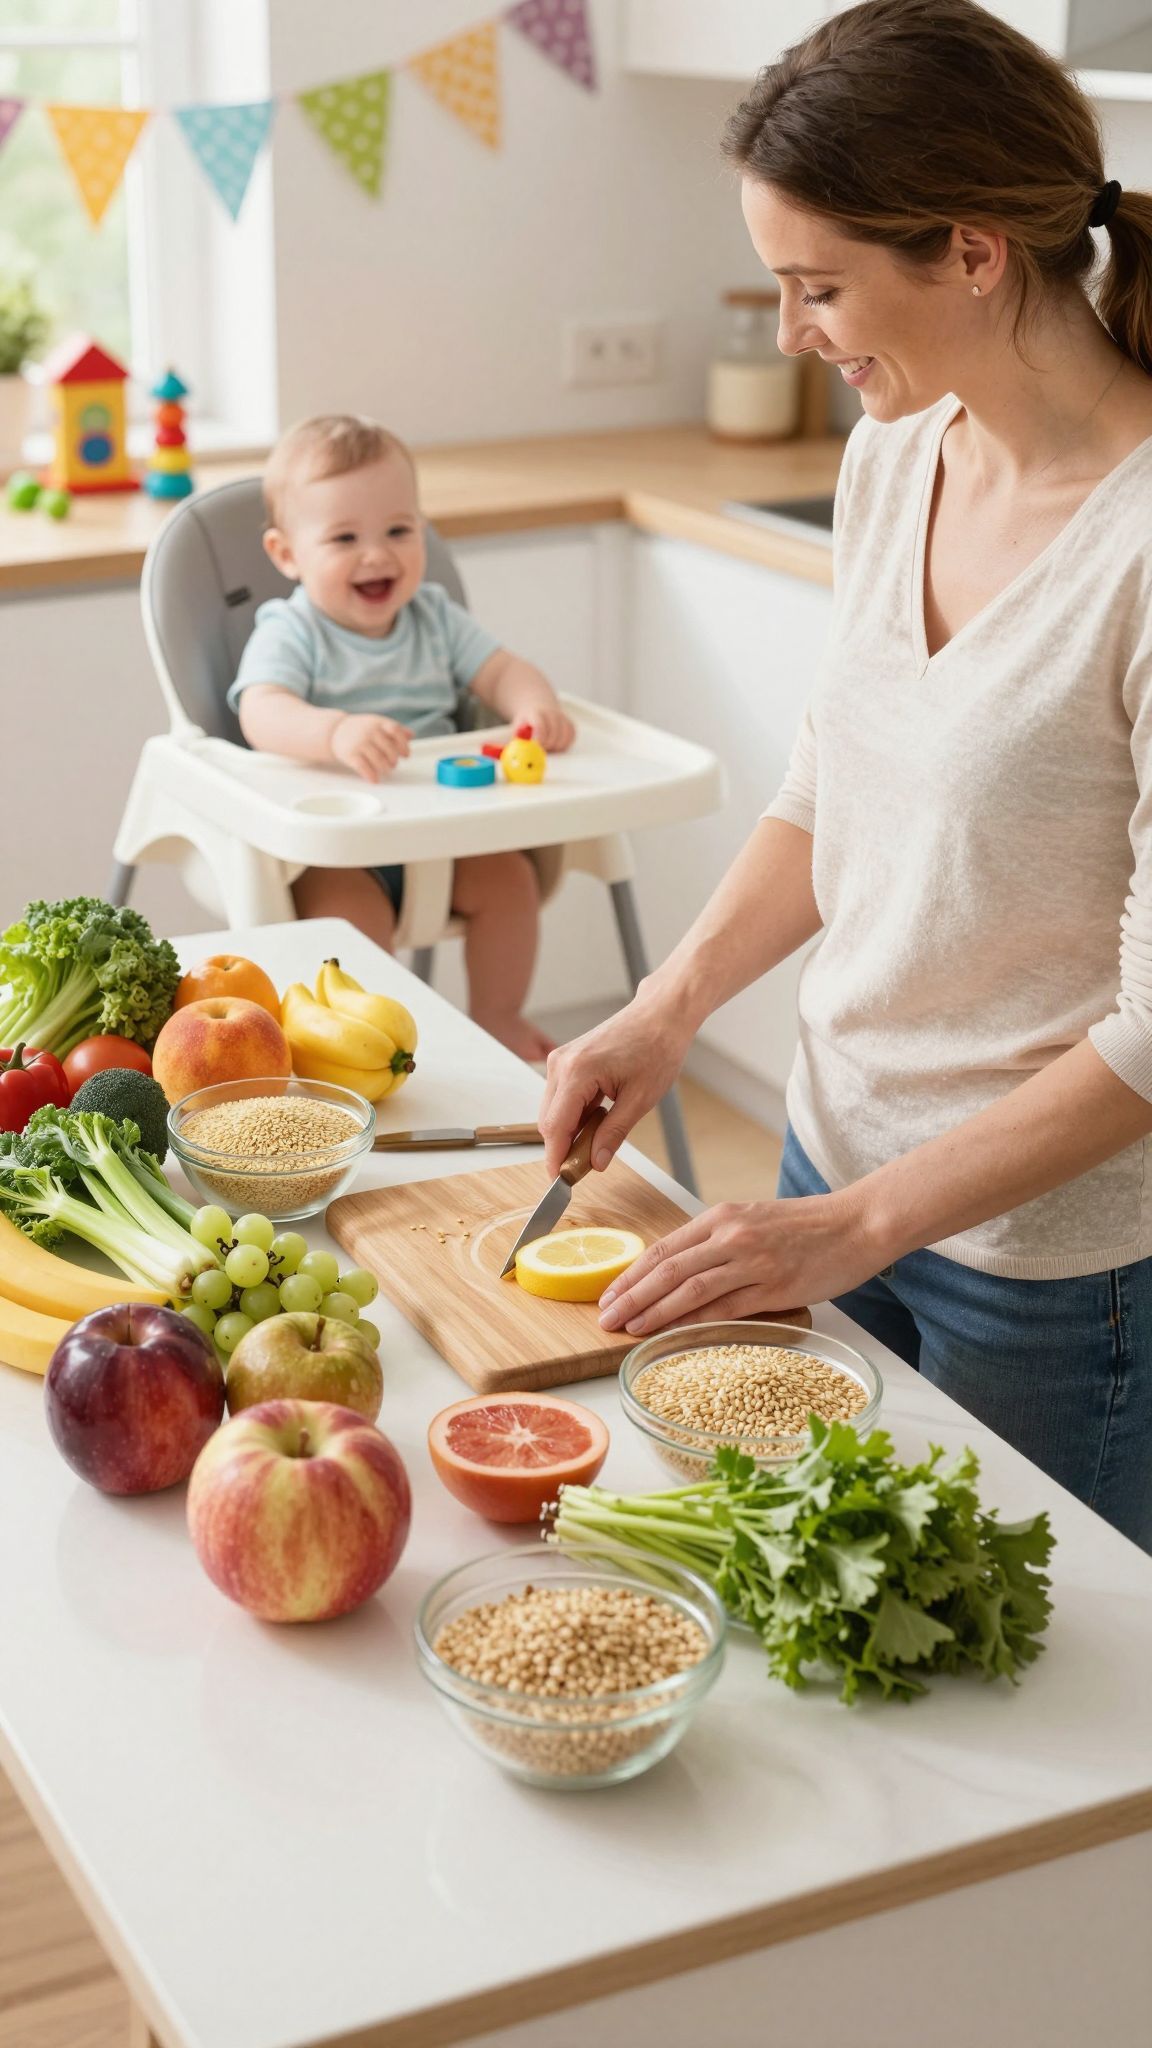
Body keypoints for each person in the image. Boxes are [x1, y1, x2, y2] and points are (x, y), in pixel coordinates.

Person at [540, 0, 1152, 1551]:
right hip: (828, 1166)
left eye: (818, 286)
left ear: (972, 251)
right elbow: (835, 782)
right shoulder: (896, 452)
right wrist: (667, 1006)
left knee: (1024, 1675)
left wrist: (859, 1226)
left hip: (1042, 1270)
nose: (790, 330)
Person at [229, 414, 575, 1061]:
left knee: (511, 884)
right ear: (287, 554)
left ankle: (499, 1015)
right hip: (345, 849)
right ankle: (373, 1044)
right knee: (354, 929)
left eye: (398, 530)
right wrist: (335, 731)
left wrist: (534, 707)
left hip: (445, 829)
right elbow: (260, 711)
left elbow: (502, 670)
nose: (377, 554)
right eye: (344, 537)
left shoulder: (435, 617)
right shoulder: (292, 631)